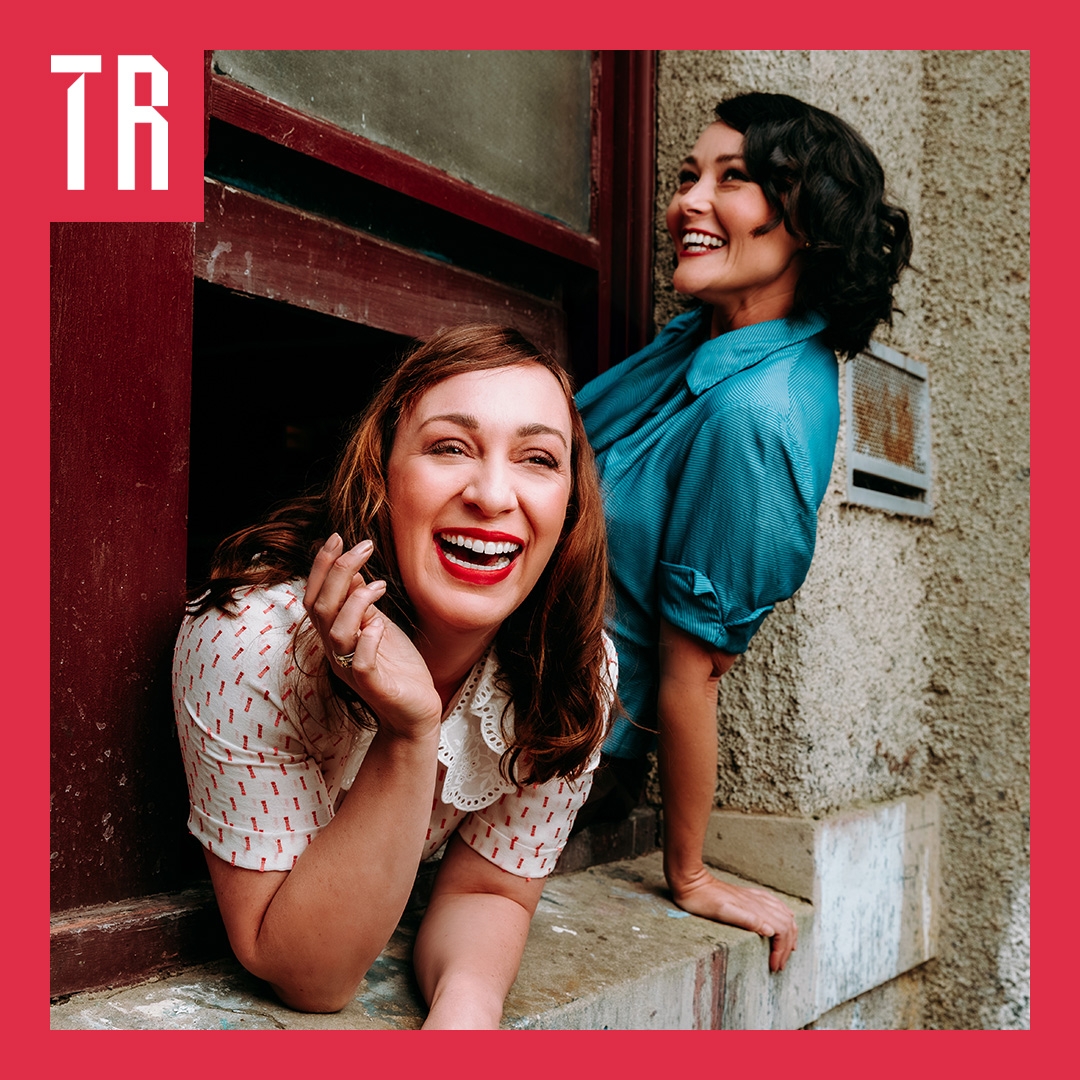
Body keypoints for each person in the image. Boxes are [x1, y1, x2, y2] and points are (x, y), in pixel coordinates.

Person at [173, 325, 616, 1028]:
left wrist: (465, 1013)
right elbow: (309, 974)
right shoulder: (251, 639)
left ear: (570, 505)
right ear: (381, 475)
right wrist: (410, 732)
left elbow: (489, 893)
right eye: (450, 447)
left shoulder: (572, 666)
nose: (494, 494)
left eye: (537, 458)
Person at [576, 92, 913, 973]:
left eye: (733, 179)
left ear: (806, 221)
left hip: (551, 740)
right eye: (689, 175)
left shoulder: (758, 415)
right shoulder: (702, 337)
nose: (688, 199)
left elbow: (693, 675)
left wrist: (688, 875)